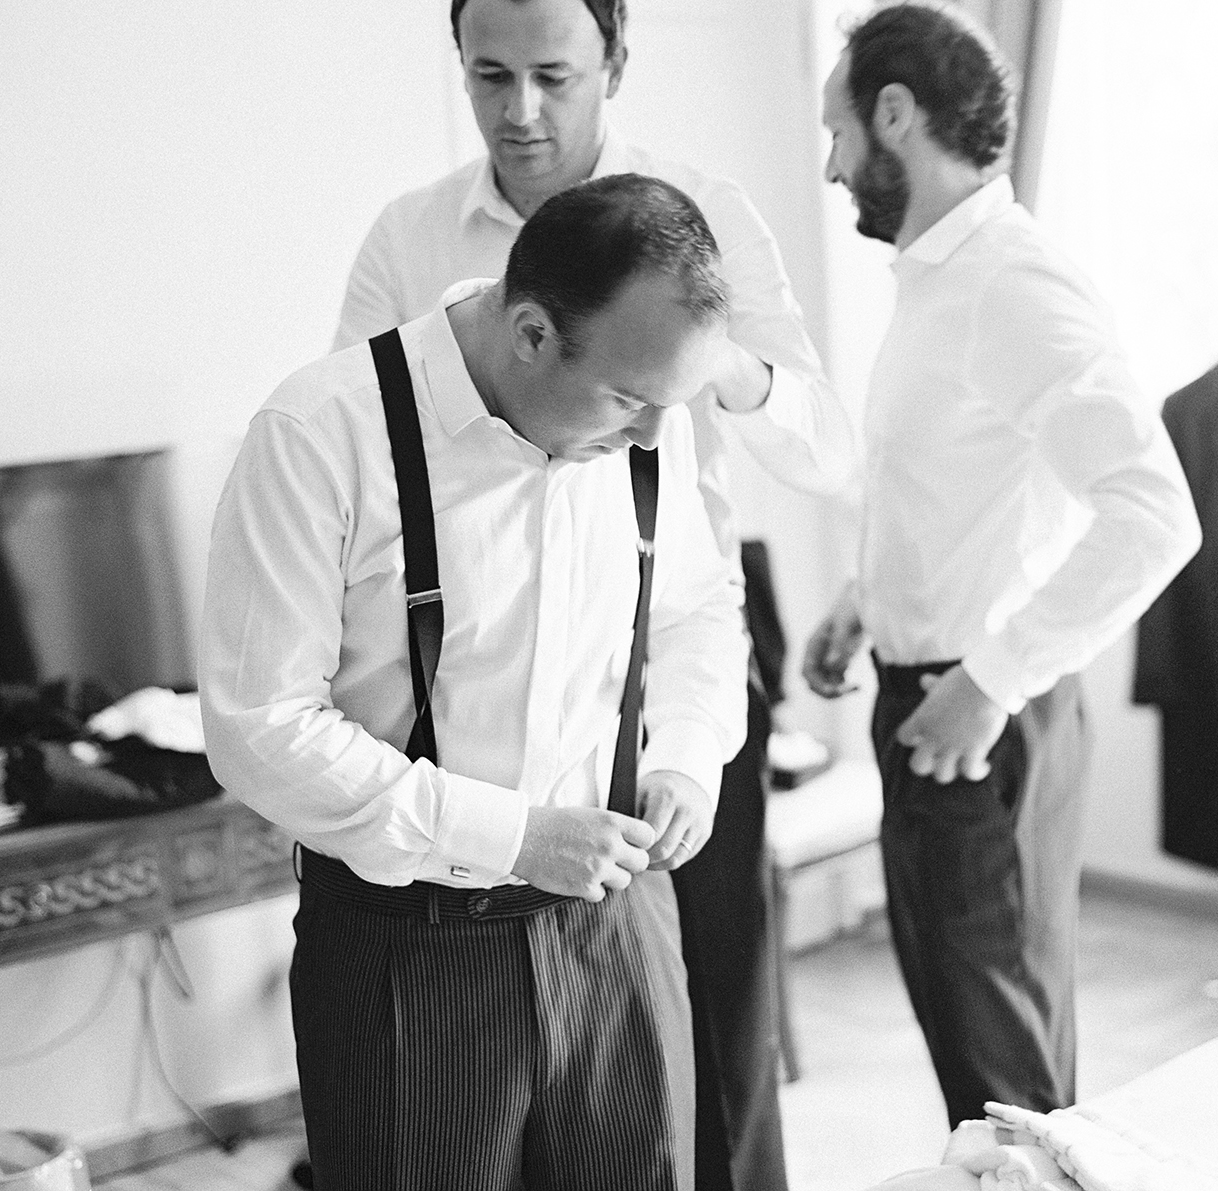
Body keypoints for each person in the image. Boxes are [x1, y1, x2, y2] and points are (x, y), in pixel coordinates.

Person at [331, 3, 854, 1186]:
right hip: (474, 671)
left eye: (554, 76)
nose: (521, 112)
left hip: (673, 646)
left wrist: (693, 355)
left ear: (616, 63)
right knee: (480, 1078)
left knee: (707, 1018)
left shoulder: (708, 212)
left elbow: (828, 451)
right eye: (490, 76)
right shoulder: (409, 238)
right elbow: (358, 446)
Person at [200, 174, 749, 1190]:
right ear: (533, 333)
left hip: (619, 926)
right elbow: (259, 726)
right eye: (630, 400)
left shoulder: (645, 416)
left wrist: (685, 755)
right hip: (408, 952)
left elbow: (697, 606)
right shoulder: (321, 433)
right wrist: (512, 837)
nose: (649, 438)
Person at [804, 3, 1202, 1129]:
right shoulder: (936, 280)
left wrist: (985, 682)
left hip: (980, 722)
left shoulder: (1013, 284)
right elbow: (970, 494)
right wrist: (862, 600)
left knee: (1004, 1083)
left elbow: (1152, 514)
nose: (833, 169)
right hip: (933, 698)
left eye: (837, 135)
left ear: (896, 115)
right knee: (980, 1064)